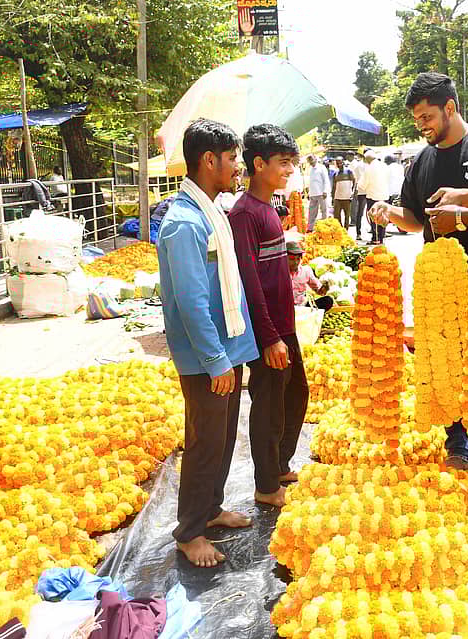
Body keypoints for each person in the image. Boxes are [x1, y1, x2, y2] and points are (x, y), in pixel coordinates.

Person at [367, 72, 468, 489]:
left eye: (427, 116)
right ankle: (459, 447)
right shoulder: (421, 162)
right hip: (441, 289)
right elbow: (416, 219)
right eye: (417, 119)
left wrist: (462, 202)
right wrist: (389, 212)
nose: (421, 125)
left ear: (450, 108)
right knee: (447, 365)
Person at [155, 119, 258, 568]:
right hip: (206, 357)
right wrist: (215, 360)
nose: (238, 167)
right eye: (233, 158)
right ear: (209, 160)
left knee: (222, 437)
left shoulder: (210, 212)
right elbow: (192, 301)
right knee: (204, 442)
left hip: (226, 350)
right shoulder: (183, 223)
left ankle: (211, 508)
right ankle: (190, 531)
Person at [229, 124, 309, 509]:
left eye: (292, 162)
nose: (290, 169)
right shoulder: (244, 214)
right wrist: (269, 337)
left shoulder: (267, 209)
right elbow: (249, 281)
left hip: (283, 326)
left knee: (295, 394)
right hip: (268, 331)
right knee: (269, 406)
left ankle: (279, 465)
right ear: (259, 164)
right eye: (284, 162)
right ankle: (265, 484)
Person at [287, 240, 333, 310]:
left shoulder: (306, 271)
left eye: (298, 259)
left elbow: (319, 291)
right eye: (292, 259)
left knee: (328, 300)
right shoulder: (278, 272)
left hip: (302, 307)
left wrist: (324, 288)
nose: (296, 262)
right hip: (284, 308)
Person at [361, 151, 390, 244]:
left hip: (373, 196)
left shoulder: (369, 168)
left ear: (367, 159)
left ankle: (375, 238)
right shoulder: (384, 166)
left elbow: (362, 184)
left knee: (374, 218)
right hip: (384, 195)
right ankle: (381, 238)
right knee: (383, 217)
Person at [330, 156, 355, 229]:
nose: (338, 164)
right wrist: (332, 197)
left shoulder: (349, 171)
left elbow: (354, 181)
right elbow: (334, 186)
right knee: (336, 215)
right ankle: (340, 229)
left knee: (347, 215)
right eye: (337, 163)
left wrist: (352, 192)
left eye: (340, 163)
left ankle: (346, 230)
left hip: (347, 197)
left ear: (343, 162)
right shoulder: (335, 173)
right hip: (337, 197)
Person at [306, 154, 330, 232]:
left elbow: (326, 180)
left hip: (321, 193)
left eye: (312, 160)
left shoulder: (322, 168)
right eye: (309, 161)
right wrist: (309, 193)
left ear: (315, 159)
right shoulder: (310, 169)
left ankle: (324, 228)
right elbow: (311, 182)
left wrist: (325, 191)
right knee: (312, 212)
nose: (311, 163)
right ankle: (310, 228)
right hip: (313, 193)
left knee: (324, 211)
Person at [351, 151, 368, 240]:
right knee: (360, 213)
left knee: (362, 213)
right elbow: (361, 179)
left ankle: (373, 232)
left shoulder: (367, 165)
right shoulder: (360, 166)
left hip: (366, 191)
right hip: (364, 191)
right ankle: (359, 233)